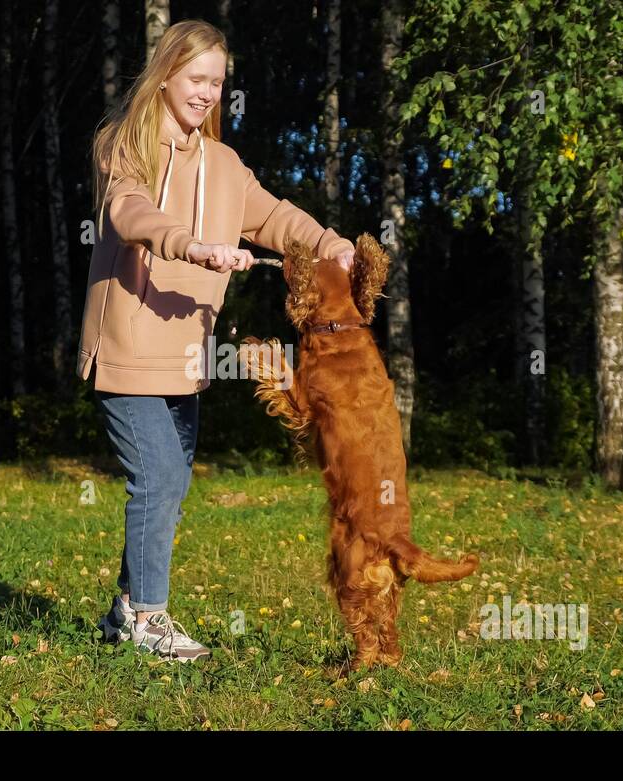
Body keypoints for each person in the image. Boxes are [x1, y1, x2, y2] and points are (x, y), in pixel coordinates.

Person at [78, 19, 356, 662]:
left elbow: (272, 216)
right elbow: (130, 211)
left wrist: (326, 244)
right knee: (158, 475)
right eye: (197, 78)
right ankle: (149, 616)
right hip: (127, 345)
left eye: (217, 83)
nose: (207, 93)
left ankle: (125, 609)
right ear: (166, 73)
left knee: (169, 484)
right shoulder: (125, 143)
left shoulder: (224, 165)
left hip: (187, 355)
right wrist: (188, 242)